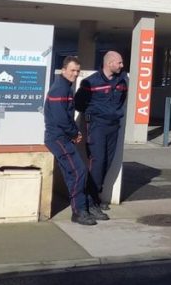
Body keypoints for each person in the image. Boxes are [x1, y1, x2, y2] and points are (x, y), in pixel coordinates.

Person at [44, 56, 102, 226]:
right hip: (58, 138)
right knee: (79, 171)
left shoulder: (65, 87)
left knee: (73, 173)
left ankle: (84, 207)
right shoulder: (59, 89)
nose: (75, 74)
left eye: (77, 71)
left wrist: (73, 132)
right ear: (63, 70)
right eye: (72, 70)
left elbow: (65, 117)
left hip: (63, 137)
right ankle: (79, 211)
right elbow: (61, 119)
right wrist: (74, 133)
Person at [74, 51, 128, 217]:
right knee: (97, 162)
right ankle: (89, 201)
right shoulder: (91, 82)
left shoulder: (122, 81)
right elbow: (79, 104)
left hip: (114, 126)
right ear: (109, 63)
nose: (122, 66)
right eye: (119, 62)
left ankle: (96, 196)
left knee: (108, 162)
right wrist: (95, 114)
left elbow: (121, 100)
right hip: (97, 126)